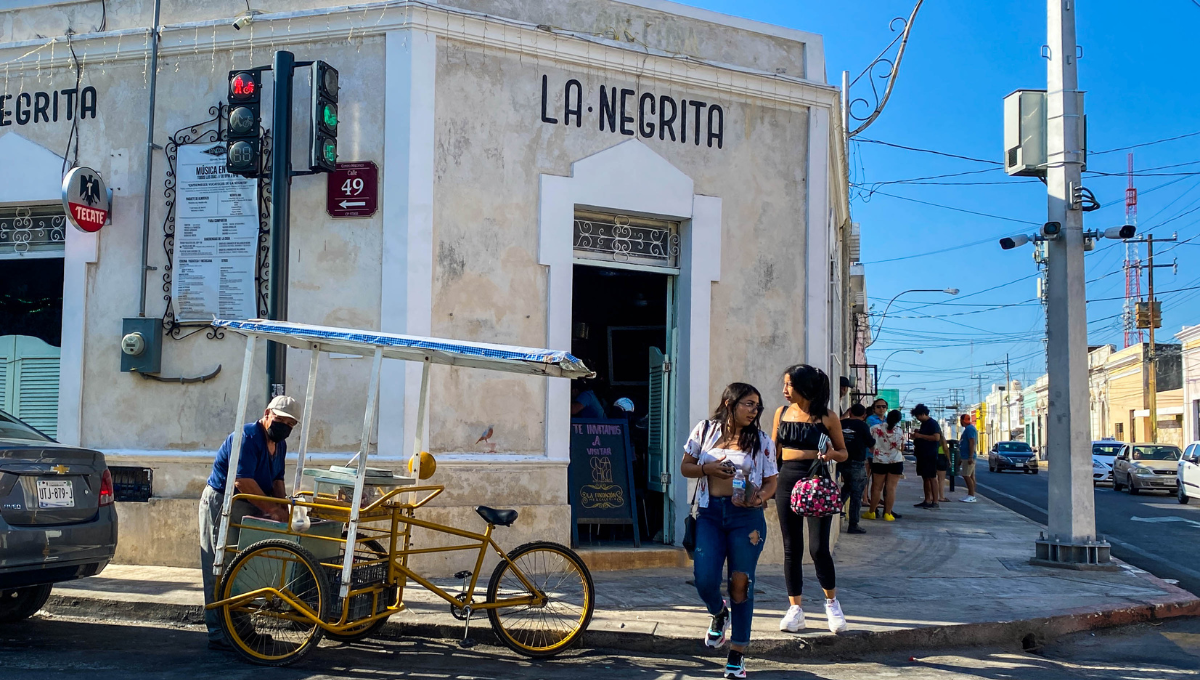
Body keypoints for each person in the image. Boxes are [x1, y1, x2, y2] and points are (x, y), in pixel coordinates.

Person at [681, 383, 778, 679]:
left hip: (746, 519)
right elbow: (686, 467)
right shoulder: (705, 430)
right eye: (748, 404)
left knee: (741, 584)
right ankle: (718, 612)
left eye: (757, 406)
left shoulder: (761, 440)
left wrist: (759, 497)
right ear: (729, 403)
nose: (754, 410)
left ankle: (737, 653)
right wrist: (708, 470)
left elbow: (772, 480)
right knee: (704, 578)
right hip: (710, 515)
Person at [199, 395, 300, 651]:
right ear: (267, 414)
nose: (284, 427)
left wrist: (283, 508)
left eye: (290, 424)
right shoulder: (246, 437)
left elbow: (277, 480)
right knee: (219, 566)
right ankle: (219, 632)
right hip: (223, 502)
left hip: (251, 502)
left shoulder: (279, 445)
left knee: (239, 568)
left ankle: (241, 630)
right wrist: (272, 511)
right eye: (280, 420)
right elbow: (242, 481)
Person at [772, 365, 850, 635]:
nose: (784, 390)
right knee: (791, 547)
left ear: (804, 387)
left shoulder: (827, 417)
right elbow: (774, 451)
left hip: (816, 480)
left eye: (789, 385)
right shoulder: (781, 414)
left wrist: (830, 455)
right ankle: (795, 609)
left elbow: (843, 453)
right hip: (787, 479)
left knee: (818, 548)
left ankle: (831, 603)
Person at [839, 403, 874, 535]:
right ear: (864, 415)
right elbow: (871, 442)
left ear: (850, 412)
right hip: (857, 462)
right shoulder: (863, 426)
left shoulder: (841, 423)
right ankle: (853, 524)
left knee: (847, 487)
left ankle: (834, 509)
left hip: (842, 460)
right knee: (856, 493)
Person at [864, 409, 905, 521]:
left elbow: (869, 442)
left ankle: (872, 512)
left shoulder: (875, 428)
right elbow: (901, 448)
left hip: (879, 461)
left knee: (876, 487)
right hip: (896, 461)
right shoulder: (899, 431)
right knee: (891, 488)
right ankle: (888, 514)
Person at [910, 404, 942, 508]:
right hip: (922, 454)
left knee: (932, 477)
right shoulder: (924, 424)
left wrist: (920, 436)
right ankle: (927, 499)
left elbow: (936, 437)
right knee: (925, 477)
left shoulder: (932, 424)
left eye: (918, 416)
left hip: (930, 454)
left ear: (923, 414)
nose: (918, 419)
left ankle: (935, 501)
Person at [864, 398, 887, 505]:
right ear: (874, 408)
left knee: (879, 480)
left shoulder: (886, 420)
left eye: (883, 406)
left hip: (883, 453)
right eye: (878, 406)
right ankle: (865, 498)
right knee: (867, 477)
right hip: (870, 452)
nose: (881, 409)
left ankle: (876, 498)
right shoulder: (871, 419)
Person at [958, 414, 979, 503]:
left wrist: (970, 456)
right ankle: (971, 494)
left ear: (963, 420)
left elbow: (972, 442)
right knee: (970, 476)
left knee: (966, 475)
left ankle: (971, 495)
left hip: (968, 456)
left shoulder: (970, 429)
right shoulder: (968, 429)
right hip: (965, 455)